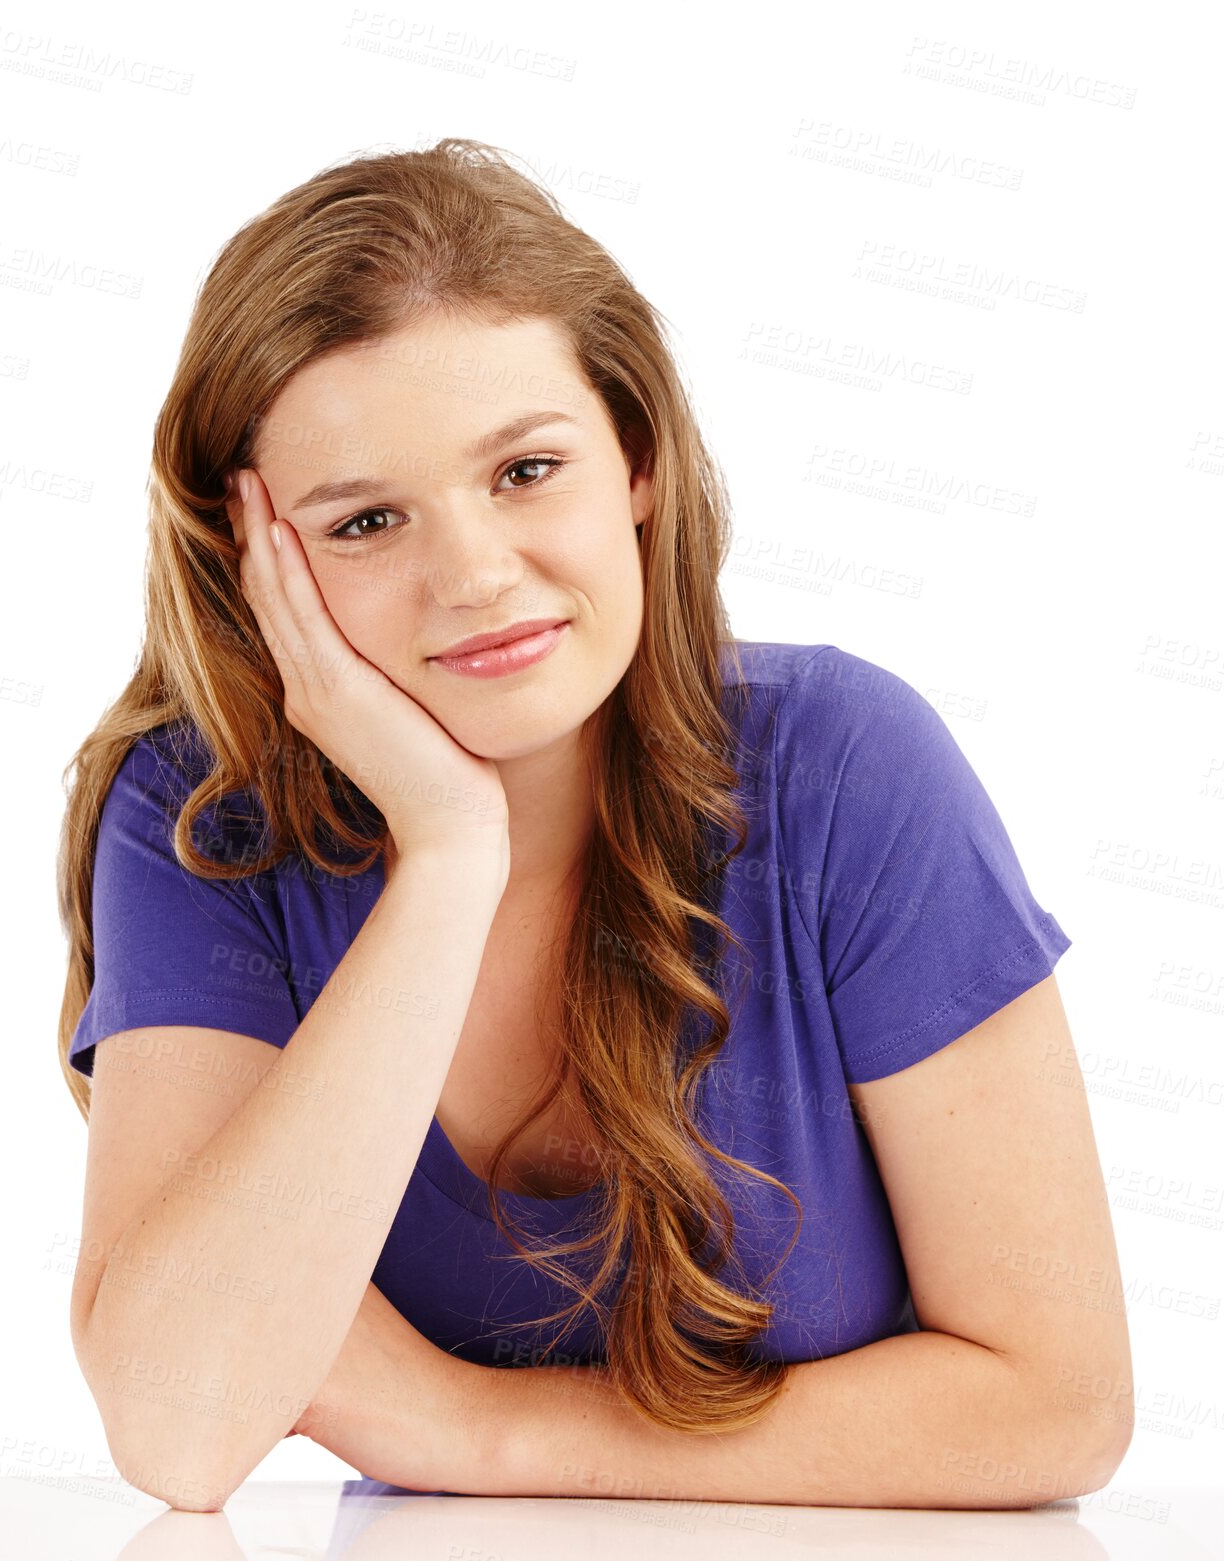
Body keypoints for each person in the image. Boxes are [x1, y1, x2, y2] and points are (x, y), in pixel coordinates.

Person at [56, 138, 1128, 1512]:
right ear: (257, 565)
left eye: (523, 472)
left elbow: (1057, 1406)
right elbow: (181, 1429)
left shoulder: (848, 770)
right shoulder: (204, 821)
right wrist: (447, 853)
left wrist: (480, 1429)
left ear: (636, 459)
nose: (477, 576)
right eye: (368, 519)